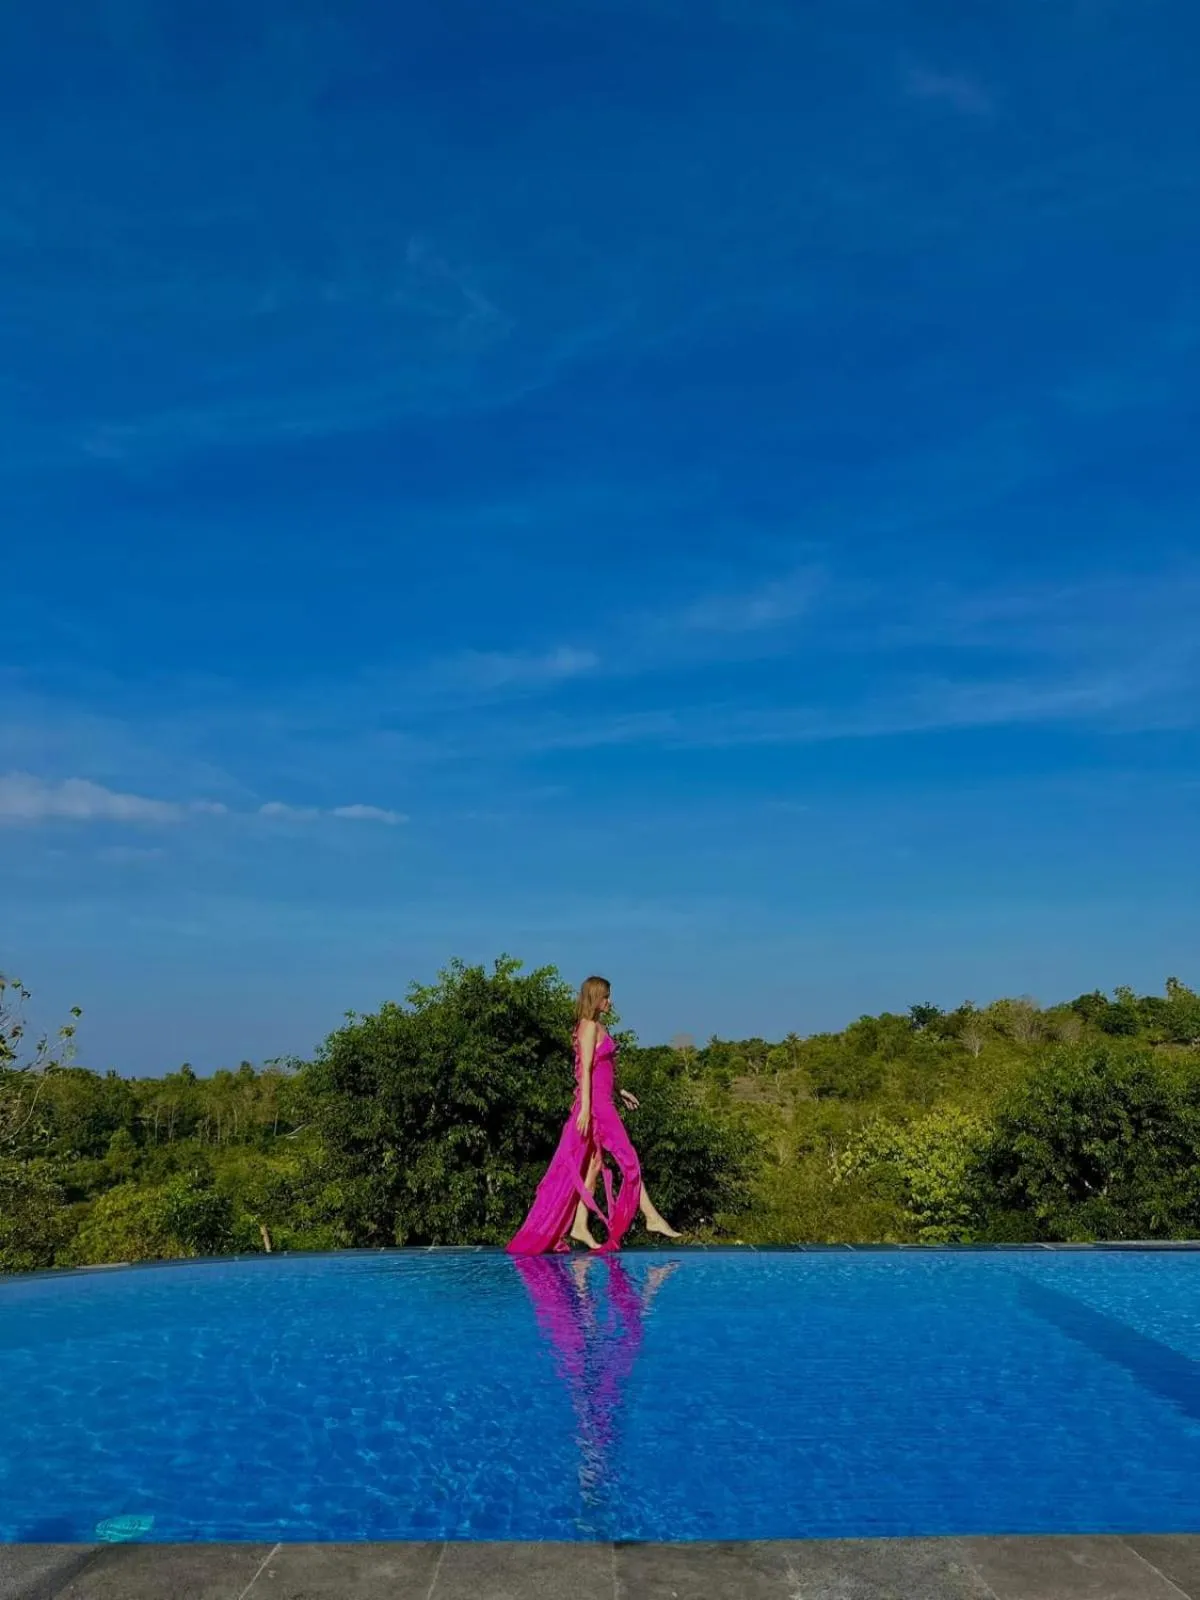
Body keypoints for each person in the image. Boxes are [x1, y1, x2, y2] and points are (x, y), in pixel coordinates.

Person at [507, 975, 682, 1254]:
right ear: (595, 998)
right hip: (596, 1107)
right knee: (628, 1158)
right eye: (606, 997)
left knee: (593, 1166)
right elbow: (585, 1070)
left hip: (602, 1101)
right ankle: (651, 1216)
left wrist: (620, 1091)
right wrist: (587, 1109)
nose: (610, 1002)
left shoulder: (599, 1026)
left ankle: (579, 1224)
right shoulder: (588, 1026)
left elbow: (604, 1069)